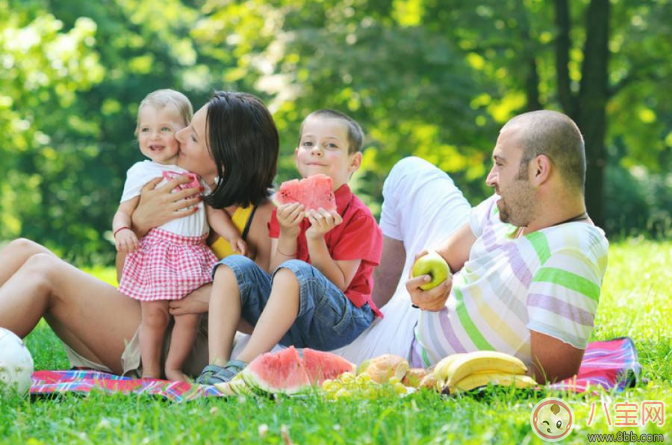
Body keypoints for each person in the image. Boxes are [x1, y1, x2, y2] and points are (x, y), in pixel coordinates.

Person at [0, 91, 279, 394]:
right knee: (22, 249)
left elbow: (277, 309)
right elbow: (130, 280)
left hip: (188, 349)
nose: (176, 136)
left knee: (45, 273)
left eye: (191, 133)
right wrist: (136, 226)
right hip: (145, 314)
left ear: (223, 153)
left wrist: (207, 293)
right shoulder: (182, 189)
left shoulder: (262, 212)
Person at [332, 109, 608, 383]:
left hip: (407, 348)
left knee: (295, 350)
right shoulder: (515, 208)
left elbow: (550, 376)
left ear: (539, 170)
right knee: (408, 171)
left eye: (499, 164)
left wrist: (428, 376)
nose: (490, 178)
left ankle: (367, 327)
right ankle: (370, 307)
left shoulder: (569, 252)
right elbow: (443, 254)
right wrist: (428, 287)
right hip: (415, 311)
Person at [198, 110, 382, 384]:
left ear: (354, 161)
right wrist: (287, 234)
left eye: (330, 145)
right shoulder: (285, 207)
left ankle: (242, 367)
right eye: (309, 144)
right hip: (291, 319)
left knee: (295, 269)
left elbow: (340, 285)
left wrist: (316, 240)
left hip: (339, 322)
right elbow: (275, 276)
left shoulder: (359, 218)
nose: (317, 151)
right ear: (298, 155)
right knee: (231, 266)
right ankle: (216, 366)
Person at [112, 89, 246, 381]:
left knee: (189, 316)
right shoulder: (141, 172)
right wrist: (122, 229)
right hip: (158, 254)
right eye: (146, 129)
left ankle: (173, 367)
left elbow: (212, 211)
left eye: (165, 129)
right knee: (155, 316)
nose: (154, 137)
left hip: (192, 254)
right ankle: (150, 371)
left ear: (183, 132)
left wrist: (231, 234)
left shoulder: (194, 171)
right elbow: (124, 211)